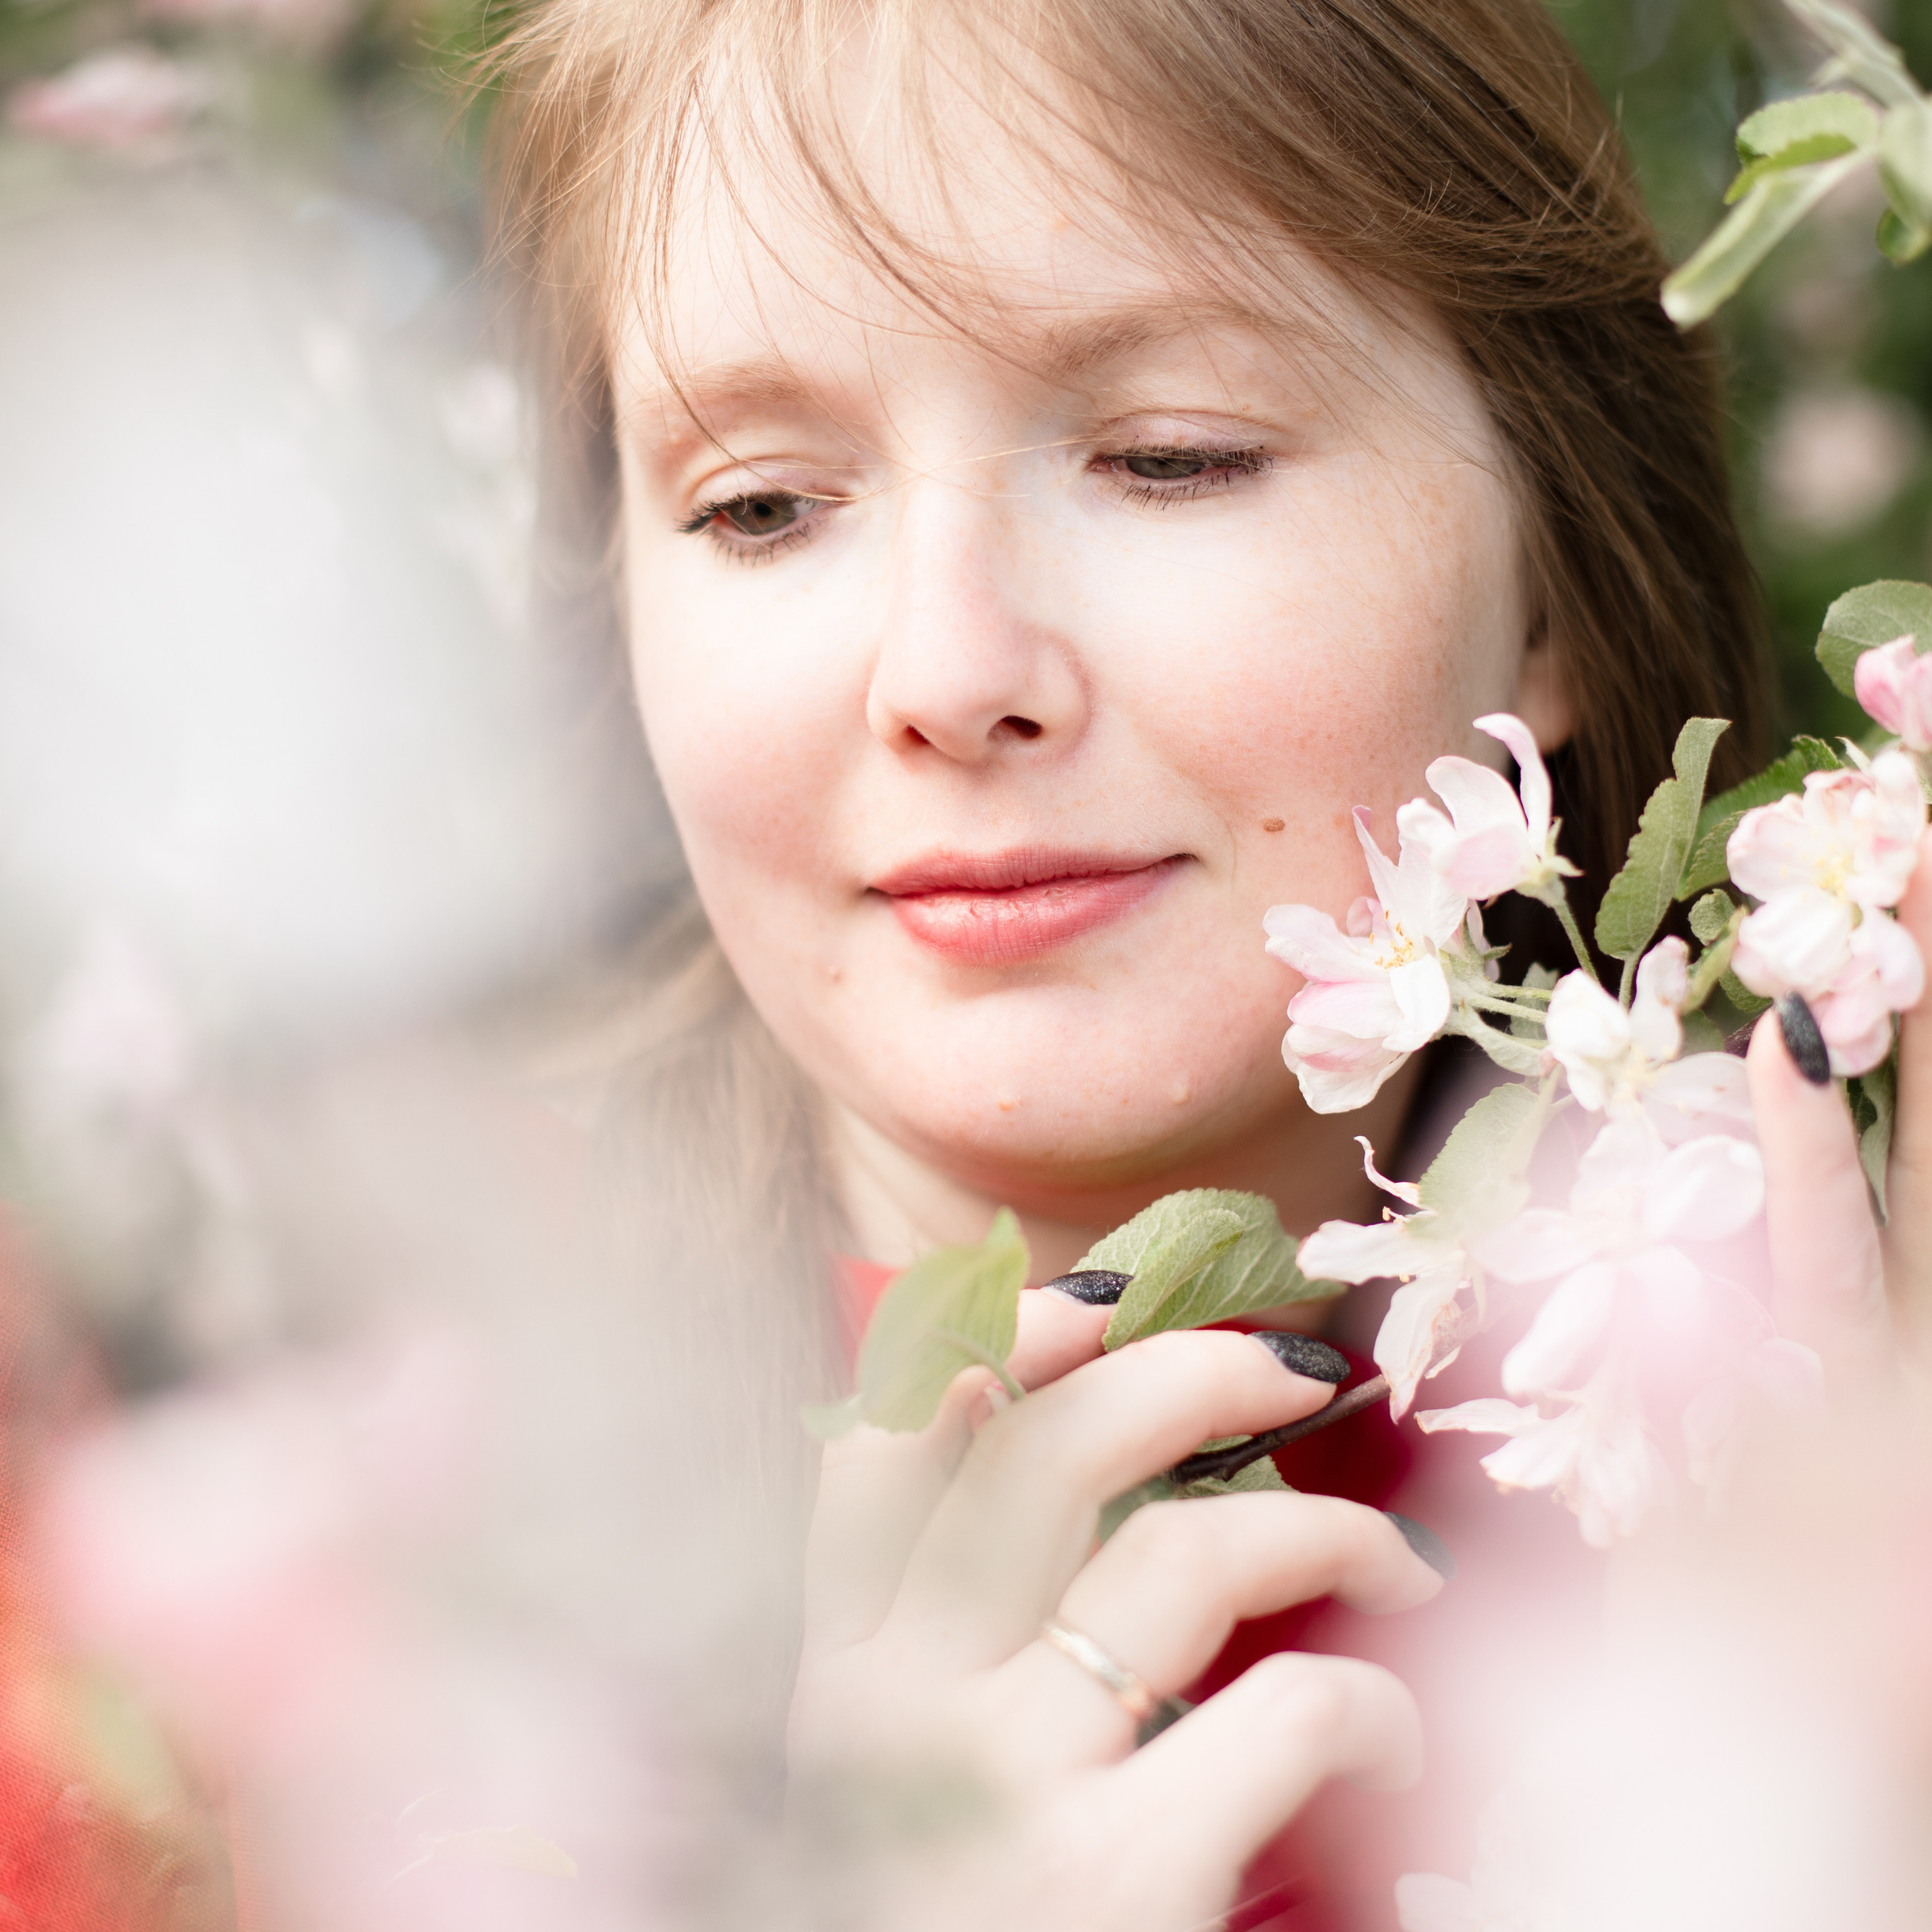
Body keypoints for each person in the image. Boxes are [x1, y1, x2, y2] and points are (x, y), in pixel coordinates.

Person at [474, 1, 1932, 1926]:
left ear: (1551, 583)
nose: (948, 672)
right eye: (760, 503)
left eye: (1170, 459)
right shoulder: (304, 1525)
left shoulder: (1836, 1403)